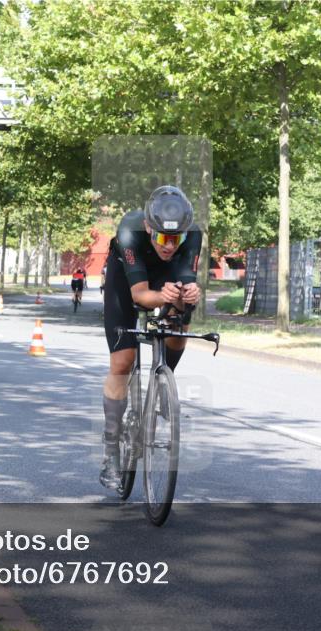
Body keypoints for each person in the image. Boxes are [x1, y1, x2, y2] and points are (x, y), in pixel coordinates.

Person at [99, 185, 202, 489]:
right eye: (161, 237)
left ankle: (163, 381)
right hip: (128, 278)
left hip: (165, 276)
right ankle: (111, 454)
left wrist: (187, 295)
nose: (169, 245)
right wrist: (160, 296)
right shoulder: (130, 230)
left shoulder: (192, 235)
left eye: (176, 238)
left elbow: (182, 295)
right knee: (123, 361)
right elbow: (141, 295)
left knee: (180, 324)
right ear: (148, 227)